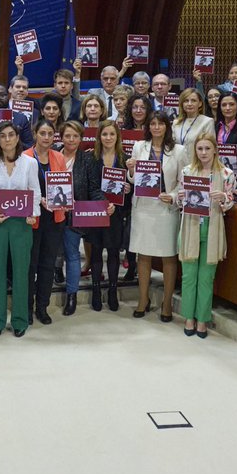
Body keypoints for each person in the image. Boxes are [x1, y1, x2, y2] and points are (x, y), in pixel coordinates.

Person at [0, 121, 40, 337]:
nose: (7, 139)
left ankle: (20, 319)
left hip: (22, 225)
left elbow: (35, 192)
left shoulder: (30, 163)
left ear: (17, 137)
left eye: (11, 135)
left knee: (21, 273)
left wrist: (33, 214)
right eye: (2, 136)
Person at [127, 111, 186, 320]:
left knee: (169, 255)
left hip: (166, 209)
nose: (156, 127)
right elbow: (134, 180)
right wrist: (130, 170)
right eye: (152, 123)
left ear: (167, 127)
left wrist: (172, 195)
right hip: (143, 208)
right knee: (143, 256)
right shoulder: (139, 147)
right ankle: (143, 299)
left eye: (160, 124)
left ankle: (167, 302)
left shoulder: (178, 151)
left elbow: (183, 180)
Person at [176, 133, 236, 339]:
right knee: (188, 276)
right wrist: (180, 196)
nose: (203, 153)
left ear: (215, 150)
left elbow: (229, 205)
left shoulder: (227, 174)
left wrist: (224, 198)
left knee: (206, 278)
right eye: (200, 149)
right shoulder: (187, 171)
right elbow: (179, 200)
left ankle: (202, 319)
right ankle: (188, 318)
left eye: (207, 149)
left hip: (213, 228)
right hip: (190, 227)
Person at [23, 120, 67, 325]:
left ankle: (42, 307)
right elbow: (19, 188)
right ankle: (27, 307)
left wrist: (67, 199)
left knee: (47, 265)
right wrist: (37, 199)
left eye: (50, 133)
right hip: (31, 219)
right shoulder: (24, 157)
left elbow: (64, 186)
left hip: (54, 219)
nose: (47, 137)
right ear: (35, 134)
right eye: (43, 133)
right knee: (29, 266)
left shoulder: (59, 157)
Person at [58, 121, 102, 315]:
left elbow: (93, 188)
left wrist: (103, 203)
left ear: (81, 138)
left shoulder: (87, 160)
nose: (71, 140)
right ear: (61, 137)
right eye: (67, 136)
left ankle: (72, 295)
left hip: (75, 215)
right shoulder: (53, 155)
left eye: (75, 136)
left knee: (72, 254)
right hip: (52, 213)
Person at [88, 120, 131, 311]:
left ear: (117, 137)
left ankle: (113, 290)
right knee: (96, 252)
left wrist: (129, 188)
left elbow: (132, 186)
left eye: (112, 134)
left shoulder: (125, 159)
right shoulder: (91, 158)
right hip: (98, 210)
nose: (108, 138)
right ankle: (96, 290)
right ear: (99, 137)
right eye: (104, 134)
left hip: (116, 213)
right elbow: (91, 186)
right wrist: (104, 202)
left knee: (113, 252)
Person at [173, 87, 216, 157]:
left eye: (193, 101)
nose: (189, 104)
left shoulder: (207, 122)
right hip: (178, 163)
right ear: (182, 104)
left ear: (200, 104)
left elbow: (210, 147)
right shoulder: (176, 122)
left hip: (197, 164)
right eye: (186, 101)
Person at [214, 92, 237, 157]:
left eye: (231, 104)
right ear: (220, 108)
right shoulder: (215, 126)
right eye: (224, 105)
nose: (227, 108)